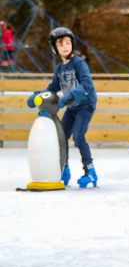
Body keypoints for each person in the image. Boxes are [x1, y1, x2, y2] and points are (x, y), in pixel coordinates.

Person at [27, 27, 98, 188]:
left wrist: (68, 97)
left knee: (79, 137)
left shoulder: (79, 63)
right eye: (61, 44)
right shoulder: (59, 68)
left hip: (85, 105)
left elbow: (87, 85)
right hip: (72, 107)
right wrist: (38, 96)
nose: (65, 46)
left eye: (68, 43)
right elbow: (53, 87)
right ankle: (63, 169)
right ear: (55, 48)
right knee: (61, 138)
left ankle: (90, 171)